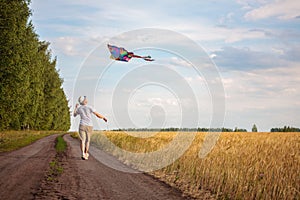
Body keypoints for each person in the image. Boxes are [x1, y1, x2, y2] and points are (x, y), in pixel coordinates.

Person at [73, 96, 107, 160]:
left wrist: (75, 108)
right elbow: (97, 114)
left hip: (82, 125)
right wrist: (103, 117)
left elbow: (74, 115)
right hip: (89, 126)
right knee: (88, 141)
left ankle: (83, 153)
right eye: (85, 99)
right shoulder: (89, 107)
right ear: (84, 101)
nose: (86, 99)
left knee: (82, 140)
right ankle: (86, 153)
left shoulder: (79, 108)